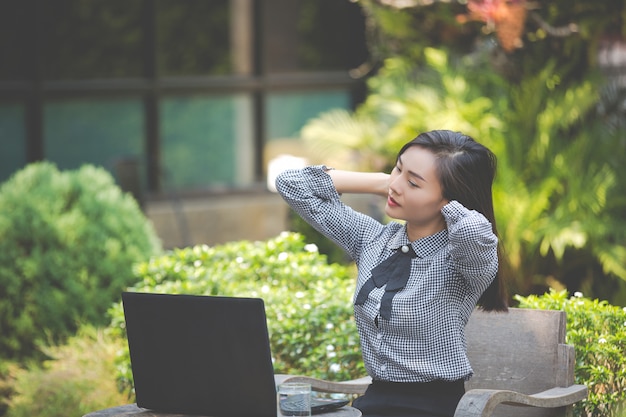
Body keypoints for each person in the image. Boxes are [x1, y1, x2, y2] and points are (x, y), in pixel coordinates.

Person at [274, 130, 508, 417]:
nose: (396, 185)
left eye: (413, 182)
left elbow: (474, 231)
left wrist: (452, 202)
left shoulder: (461, 261)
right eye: (398, 168)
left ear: (449, 201)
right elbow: (291, 184)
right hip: (375, 398)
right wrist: (387, 182)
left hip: (435, 406)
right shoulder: (371, 239)